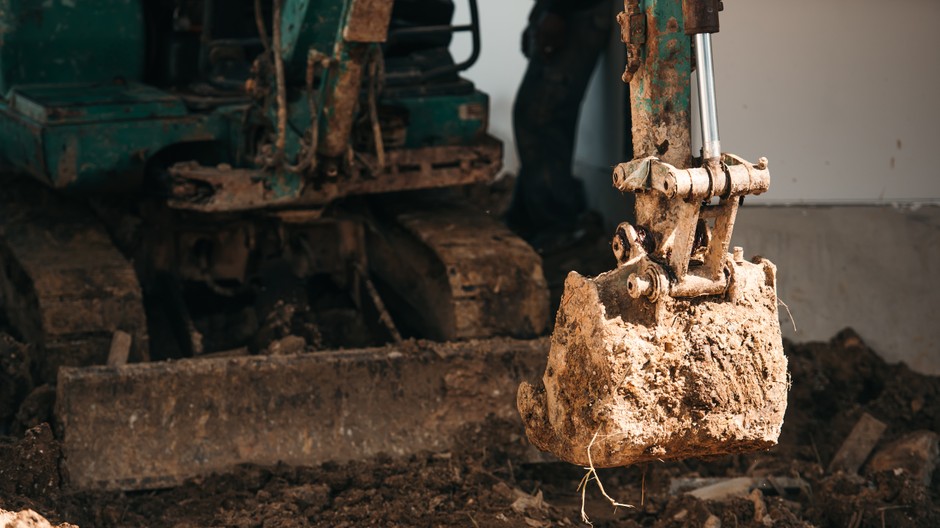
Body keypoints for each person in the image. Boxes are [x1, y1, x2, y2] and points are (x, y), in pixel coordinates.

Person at [505, 0, 614, 252]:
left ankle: (557, 225)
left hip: (575, 12)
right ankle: (528, 219)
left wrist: (556, 12)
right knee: (537, 118)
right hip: (567, 12)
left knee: (541, 119)